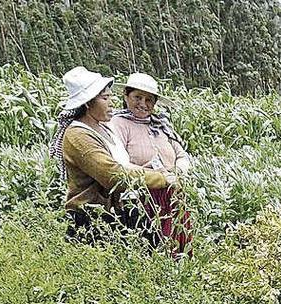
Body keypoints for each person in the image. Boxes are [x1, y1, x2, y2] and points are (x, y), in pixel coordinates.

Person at [49, 66, 176, 243]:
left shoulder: (103, 128)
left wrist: (159, 173)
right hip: (91, 219)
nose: (112, 103)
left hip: (114, 213)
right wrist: (161, 180)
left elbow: (124, 165)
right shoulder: (78, 135)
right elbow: (113, 175)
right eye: (105, 98)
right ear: (88, 103)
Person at [111, 72, 193, 256]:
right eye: (137, 97)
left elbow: (181, 154)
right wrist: (160, 177)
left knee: (178, 248)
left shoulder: (161, 125)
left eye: (149, 99)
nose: (143, 104)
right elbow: (120, 163)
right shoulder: (118, 124)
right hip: (141, 199)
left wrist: (177, 173)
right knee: (152, 249)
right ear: (126, 96)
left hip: (173, 195)